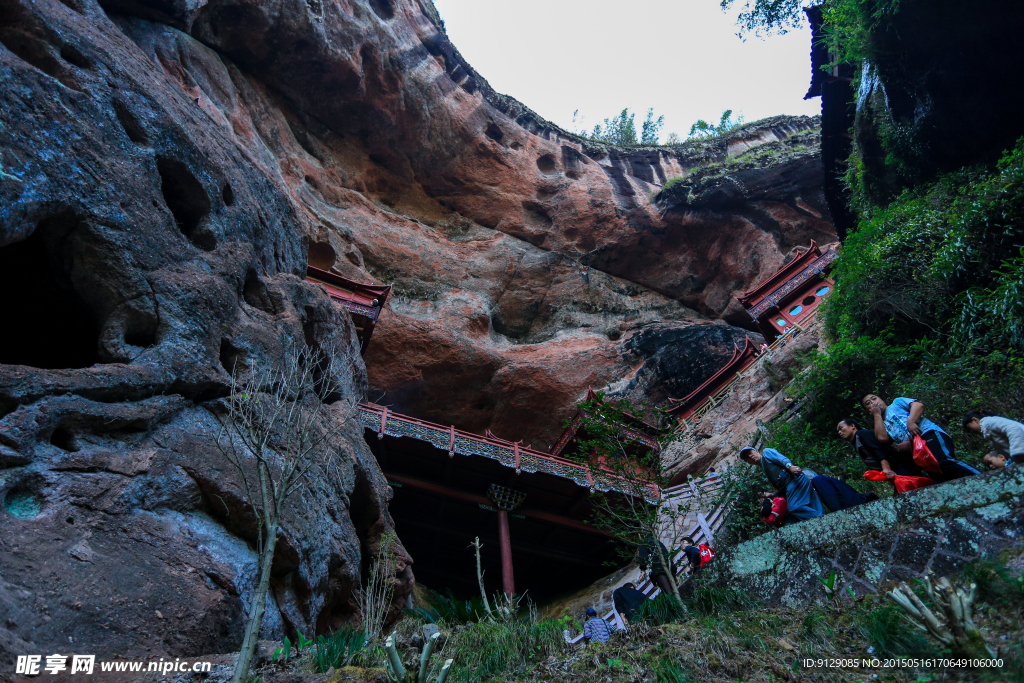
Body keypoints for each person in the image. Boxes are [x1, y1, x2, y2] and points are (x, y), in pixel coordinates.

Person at [862, 394, 979, 481]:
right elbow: (883, 438)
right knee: (937, 474)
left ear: (881, 399)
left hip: (928, 433)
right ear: (868, 410)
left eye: (874, 398)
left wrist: (911, 421)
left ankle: (982, 477)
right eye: (868, 403)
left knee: (943, 462)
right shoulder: (881, 423)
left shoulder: (896, 403)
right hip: (916, 450)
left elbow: (918, 405)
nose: (873, 402)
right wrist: (877, 414)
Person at [739, 447, 824, 524]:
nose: (750, 456)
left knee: (794, 508)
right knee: (814, 506)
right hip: (793, 485)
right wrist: (771, 495)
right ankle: (824, 522)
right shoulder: (765, 469)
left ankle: (822, 522)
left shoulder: (766, 453)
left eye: (750, 453)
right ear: (749, 462)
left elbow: (780, 459)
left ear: (756, 451)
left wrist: (790, 466)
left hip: (795, 481)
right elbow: (783, 490)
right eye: (747, 458)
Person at [837, 417, 928, 481]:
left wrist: (886, 469)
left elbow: (877, 450)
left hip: (898, 466)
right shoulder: (856, 441)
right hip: (895, 469)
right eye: (838, 431)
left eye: (841, 428)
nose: (840, 432)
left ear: (852, 426)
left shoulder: (861, 434)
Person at [809, 474, 878, 512]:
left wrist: (838, 512)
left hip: (852, 505)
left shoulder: (817, 480)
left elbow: (830, 497)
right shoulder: (822, 479)